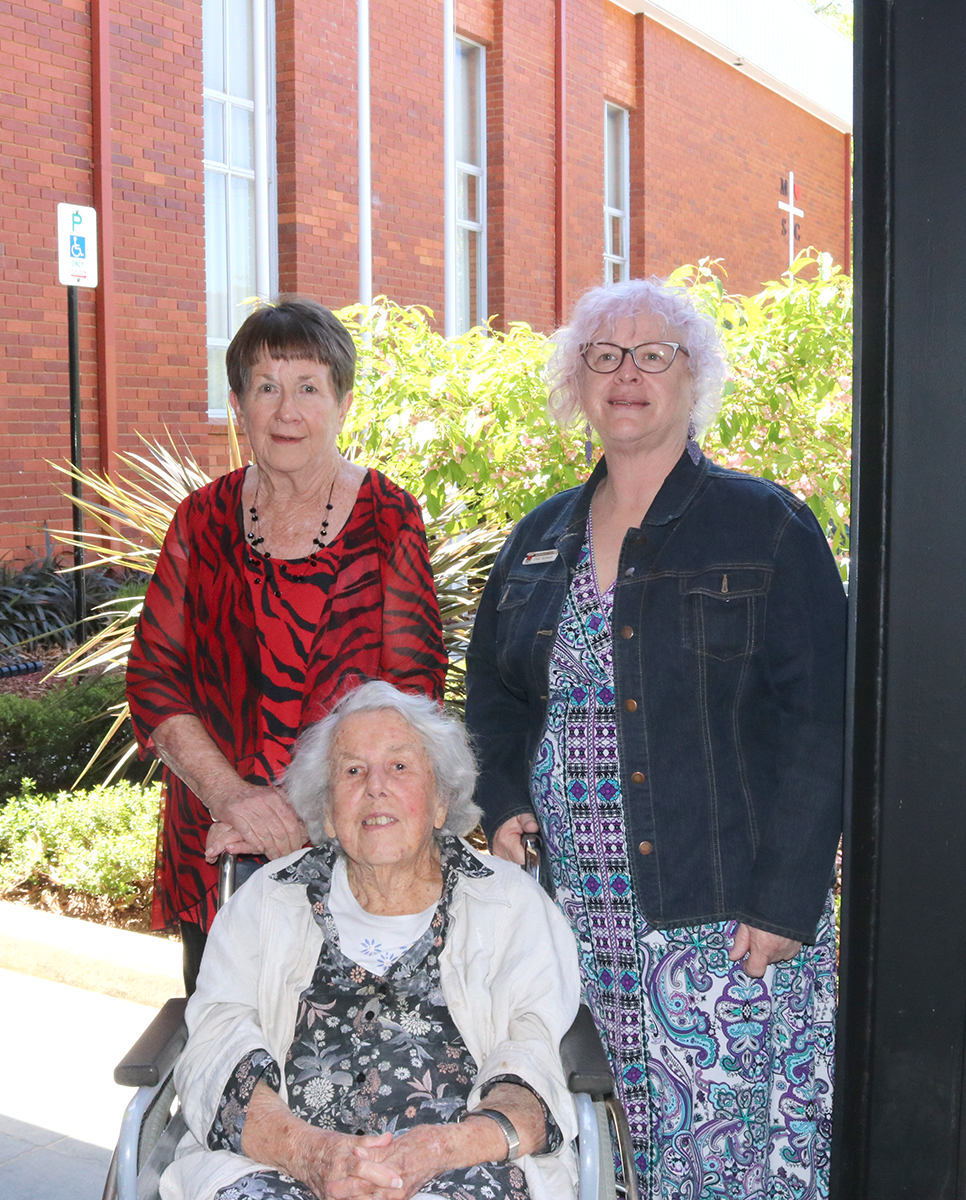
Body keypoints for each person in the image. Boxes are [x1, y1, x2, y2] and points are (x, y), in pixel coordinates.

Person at [464, 278, 846, 1198]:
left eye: (652, 355)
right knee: (614, 1151)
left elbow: (822, 720)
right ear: (577, 382)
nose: (625, 374)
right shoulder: (539, 539)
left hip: (724, 914)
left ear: (691, 378)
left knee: (735, 1159)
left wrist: (787, 902)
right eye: (603, 355)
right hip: (578, 914)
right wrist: (505, 799)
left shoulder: (766, 525)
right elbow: (492, 695)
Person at [127, 298, 447, 992]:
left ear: (343, 401)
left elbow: (415, 697)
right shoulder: (200, 520)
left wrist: (304, 814)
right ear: (239, 404)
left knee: (350, 1067)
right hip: (222, 848)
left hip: (355, 845)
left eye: (308, 387)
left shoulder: (388, 517)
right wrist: (234, 799)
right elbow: (154, 679)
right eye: (266, 388)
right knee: (228, 1053)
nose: (287, 411)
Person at [162, 680, 580, 1200]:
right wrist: (314, 1155)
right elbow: (215, 1047)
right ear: (329, 813)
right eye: (353, 771)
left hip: (461, 1167)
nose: (375, 787)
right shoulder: (269, 899)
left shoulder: (511, 904)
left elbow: (535, 1056)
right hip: (285, 1167)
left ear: (440, 802)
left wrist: (436, 1151)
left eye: (400, 767)